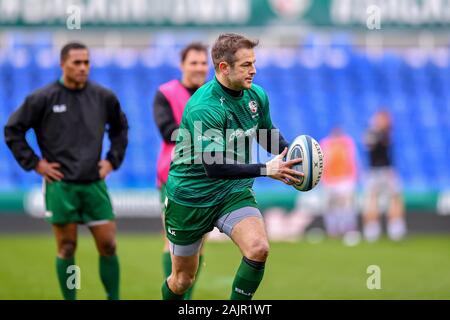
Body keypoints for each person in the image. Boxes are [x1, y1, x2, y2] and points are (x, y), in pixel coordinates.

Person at [161, 33, 303, 300]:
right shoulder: (205, 106)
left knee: (258, 248)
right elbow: (214, 166)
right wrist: (266, 169)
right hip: (191, 197)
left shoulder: (256, 96)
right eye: (246, 65)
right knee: (182, 280)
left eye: (254, 63)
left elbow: (266, 134)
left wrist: (295, 154)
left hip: (232, 192)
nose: (254, 70)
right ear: (224, 68)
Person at [4, 42, 128, 300]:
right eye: (77, 63)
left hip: (94, 184)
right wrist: (35, 163)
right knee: (67, 247)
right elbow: (12, 130)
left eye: (86, 62)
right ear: (62, 64)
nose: (83, 68)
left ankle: (113, 298)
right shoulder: (42, 98)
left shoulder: (103, 97)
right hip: (61, 186)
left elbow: (120, 128)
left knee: (108, 244)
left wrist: (111, 161)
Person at [153, 42, 209, 299]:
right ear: (182, 65)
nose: (199, 68)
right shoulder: (166, 93)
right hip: (174, 176)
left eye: (203, 63)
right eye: (193, 62)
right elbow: (167, 131)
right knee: (173, 241)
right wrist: (207, 136)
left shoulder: (215, 94)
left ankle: (186, 299)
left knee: (200, 243)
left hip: (209, 177)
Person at [362, 110, 406, 242]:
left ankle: (395, 228)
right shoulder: (373, 132)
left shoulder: (386, 132)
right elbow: (369, 144)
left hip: (386, 170)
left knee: (394, 199)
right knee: (372, 199)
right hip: (375, 171)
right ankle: (372, 230)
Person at [320, 127, 359, 239]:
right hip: (330, 180)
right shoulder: (326, 144)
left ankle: (348, 228)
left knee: (346, 206)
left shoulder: (347, 143)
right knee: (330, 206)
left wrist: (352, 177)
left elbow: (352, 160)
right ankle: (333, 230)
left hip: (344, 179)